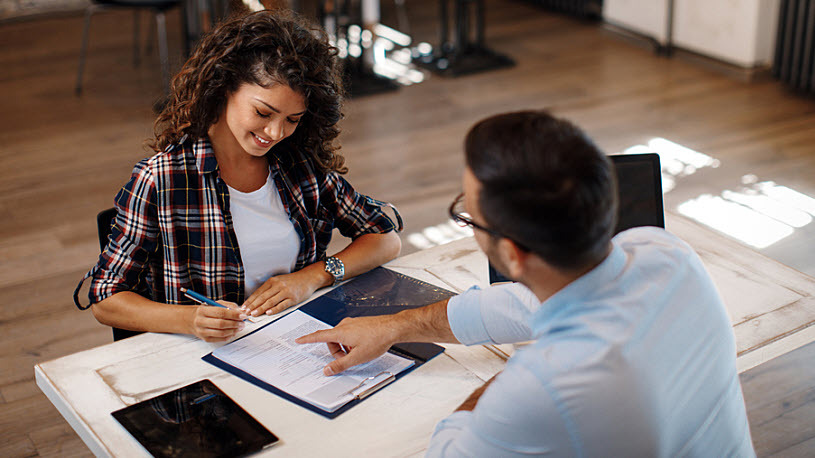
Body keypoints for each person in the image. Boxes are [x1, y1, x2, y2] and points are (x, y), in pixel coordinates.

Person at [297, 111, 755, 456]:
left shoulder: (543, 388)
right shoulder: (664, 252)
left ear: (513, 253)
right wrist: (393, 326)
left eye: (469, 215)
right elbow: (517, 305)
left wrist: (498, 388)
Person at [74, 10, 402, 342]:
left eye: (292, 119)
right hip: (202, 366)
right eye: (263, 112)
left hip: (299, 347)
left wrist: (312, 277)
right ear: (224, 87)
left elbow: (385, 240)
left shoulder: (299, 167)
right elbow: (105, 298)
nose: (275, 132)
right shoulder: (161, 181)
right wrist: (190, 320)